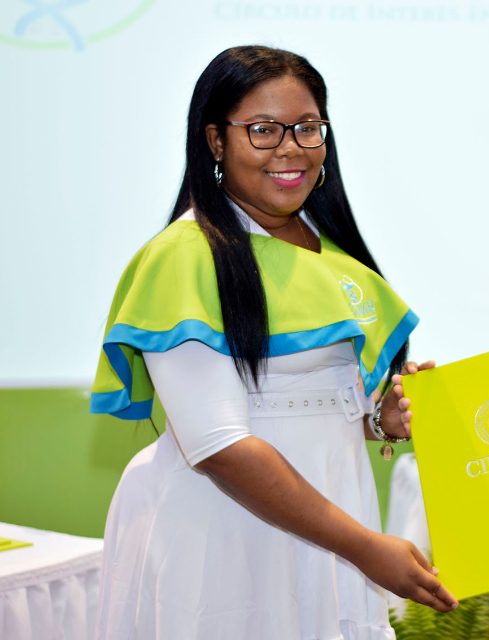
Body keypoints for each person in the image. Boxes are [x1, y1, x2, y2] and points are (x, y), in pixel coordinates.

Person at [89, 45, 456, 639]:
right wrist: (364, 546)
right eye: (263, 130)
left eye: (307, 128)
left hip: (331, 527)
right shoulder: (184, 256)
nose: (290, 148)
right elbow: (219, 445)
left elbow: (308, 408)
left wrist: (381, 418)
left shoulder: (335, 255)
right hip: (223, 532)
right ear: (216, 140)